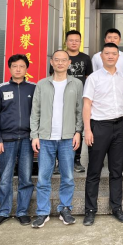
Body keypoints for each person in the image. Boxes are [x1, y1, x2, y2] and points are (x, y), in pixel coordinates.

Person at [30, 50, 83, 229]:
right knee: (43, 177)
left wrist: (78, 132)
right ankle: (42, 212)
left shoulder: (76, 83)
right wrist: (34, 135)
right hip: (46, 138)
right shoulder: (42, 84)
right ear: (51, 62)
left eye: (63, 60)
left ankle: (65, 209)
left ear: (69, 63)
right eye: (57, 60)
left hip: (67, 137)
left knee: (67, 176)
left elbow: (79, 110)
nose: (60, 63)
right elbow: (35, 111)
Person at [83, 43, 123, 227]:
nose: (110, 56)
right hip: (99, 126)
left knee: (116, 170)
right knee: (94, 170)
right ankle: (90, 210)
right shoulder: (93, 78)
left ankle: (116, 207)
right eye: (107, 53)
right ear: (101, 56)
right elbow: (87, 104)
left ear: (118, 57)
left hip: (119, 126)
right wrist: (87, 130)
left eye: (114, 53)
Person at [0, 55, 36, 228]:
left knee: (26, 177)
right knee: (5, 178)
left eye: (21, 66)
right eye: (15, 66)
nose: (18, 69)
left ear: (26, 69)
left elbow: (38, 113)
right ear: (9, 68)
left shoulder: (33, 88)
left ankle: (22, 212)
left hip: (27, 140)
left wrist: (36, 137)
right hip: (6, 140)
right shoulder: (0, 89)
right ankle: (3, 211)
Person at [50, 31, 93, 174]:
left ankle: (76, 160)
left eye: (77, 40)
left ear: (80, 42)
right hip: (60, 98)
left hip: (79, 98)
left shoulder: (85, 58)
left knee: (77, 129)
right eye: (71, 40)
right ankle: (59, 162)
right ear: (66, 42)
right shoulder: (59, 58)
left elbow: (89, 79)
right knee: (60, 128)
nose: (74, 42)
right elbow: (52, 77)